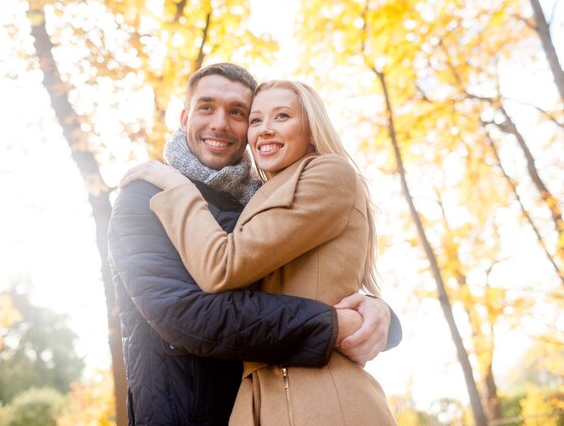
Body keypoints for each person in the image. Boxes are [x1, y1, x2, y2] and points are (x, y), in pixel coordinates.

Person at [108, 64, 401, 426]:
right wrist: (332, 326)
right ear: (184, 117)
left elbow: (304, 279)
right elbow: (184, 314)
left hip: (280, 403)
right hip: (184, 416)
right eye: (206, 107)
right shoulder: (147, 196)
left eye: (237, 113)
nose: (219, 123)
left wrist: (377, 312)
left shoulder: (262, 199)